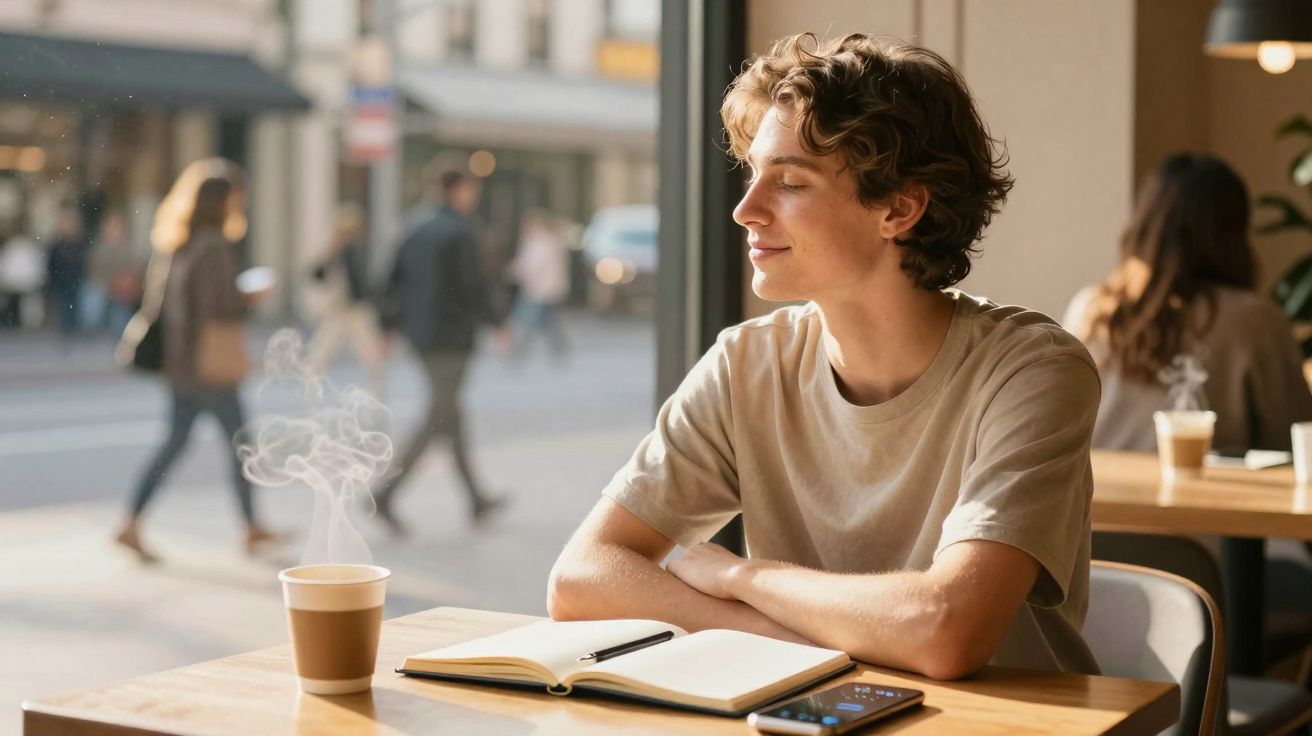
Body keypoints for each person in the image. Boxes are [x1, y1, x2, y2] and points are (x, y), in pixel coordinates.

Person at [547, 33, 1102, 680]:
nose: (745, 209)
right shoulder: (746, 365)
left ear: (899, 208)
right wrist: (791, 637)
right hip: (818, 716)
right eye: (753, 175)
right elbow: (582, 578)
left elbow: (945, 629)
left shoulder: (1032, 371)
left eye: (788, 182)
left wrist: (738, 574)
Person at [1064, 153, 1312, 453]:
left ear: (1143, 225)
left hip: (1094, 496)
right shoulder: (1255, 321)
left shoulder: (1091, 309)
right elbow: (1294, 440)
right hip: (1207, 497)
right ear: (1233, 235)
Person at [114, 158, 278, 562]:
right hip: (209, 369)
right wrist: (250, 297)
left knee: (175, 444)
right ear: (222, 201)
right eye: (239, 196)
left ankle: (131, 523)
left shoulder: (177, 243)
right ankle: (250, 527)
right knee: (242, 445)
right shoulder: (214, 247)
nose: (243, 204)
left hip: (181, 365)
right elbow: (218, 308)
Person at [374, 163, 507, 534]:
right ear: (458, 190)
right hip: (452, 338)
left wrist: (386, 327)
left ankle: (476, 498)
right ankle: (384, 493)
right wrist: (498, 321)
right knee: (439, 417)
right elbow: (475, 285)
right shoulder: (461, 232)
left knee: (451, 415)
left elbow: (390, 280)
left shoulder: (412, 227)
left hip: (420, 337)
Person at [306, 203, 387, 399]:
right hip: (351, 307)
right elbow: (358, 281)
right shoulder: (347, 250)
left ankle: (311, 384)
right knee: (367, 352)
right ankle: (378, 390)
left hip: (342, 308)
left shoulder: (336, 249)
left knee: (325, 349)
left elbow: (316, 275)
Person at [507, 208, 569, 361]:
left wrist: (516, 272)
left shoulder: (540, 241)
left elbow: (533, 264)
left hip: (539, 288)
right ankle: (559, 348)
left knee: (528, 319)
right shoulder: (548, 240)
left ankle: (519, 349)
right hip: (545, 287)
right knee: (548, 321)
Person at [82, 211, 141, 336]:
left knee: (121, 311)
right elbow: (94, 270)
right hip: (102, 284)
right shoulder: (99, 248)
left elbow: (133, 269)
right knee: (92, 301)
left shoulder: (127, 248)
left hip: (122, 288)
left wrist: (122, 281)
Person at [45, 207, 87, 341]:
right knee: (64, 306)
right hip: (61, 281)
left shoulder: (80, 243)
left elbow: (84, 263)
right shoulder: (57, 244)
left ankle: (73, 329)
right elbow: (51, 264)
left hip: (76, 280)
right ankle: (66, 330)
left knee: (75, 306)